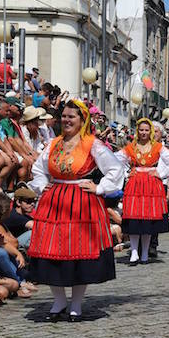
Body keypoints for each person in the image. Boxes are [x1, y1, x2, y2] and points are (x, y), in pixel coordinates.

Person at [27, 99, 124, 322]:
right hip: (54, 202)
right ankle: (59, 300)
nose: (66, 120)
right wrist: (42, 186)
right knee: (51, 251)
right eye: (64, 116)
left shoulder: (92, 144)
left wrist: (99, 187)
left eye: (72, 117)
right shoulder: (54, 144)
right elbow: (38, 168)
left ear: (82, 120)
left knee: (80, 254)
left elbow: (115, 169)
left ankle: (76, 304)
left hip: (82, 202)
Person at [115, 118, 169, 265]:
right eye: (141, 130)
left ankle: (144, 253)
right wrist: (126, 173)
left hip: (151, 186)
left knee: (147, 220)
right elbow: (114, 161)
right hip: (135, 185)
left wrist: (160, 173)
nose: (144, 133)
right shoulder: (131, 147)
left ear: (150, 132)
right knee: (133, 218)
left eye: (146, 130)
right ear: (137, 131)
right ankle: (134, 252)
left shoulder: (157, 147)